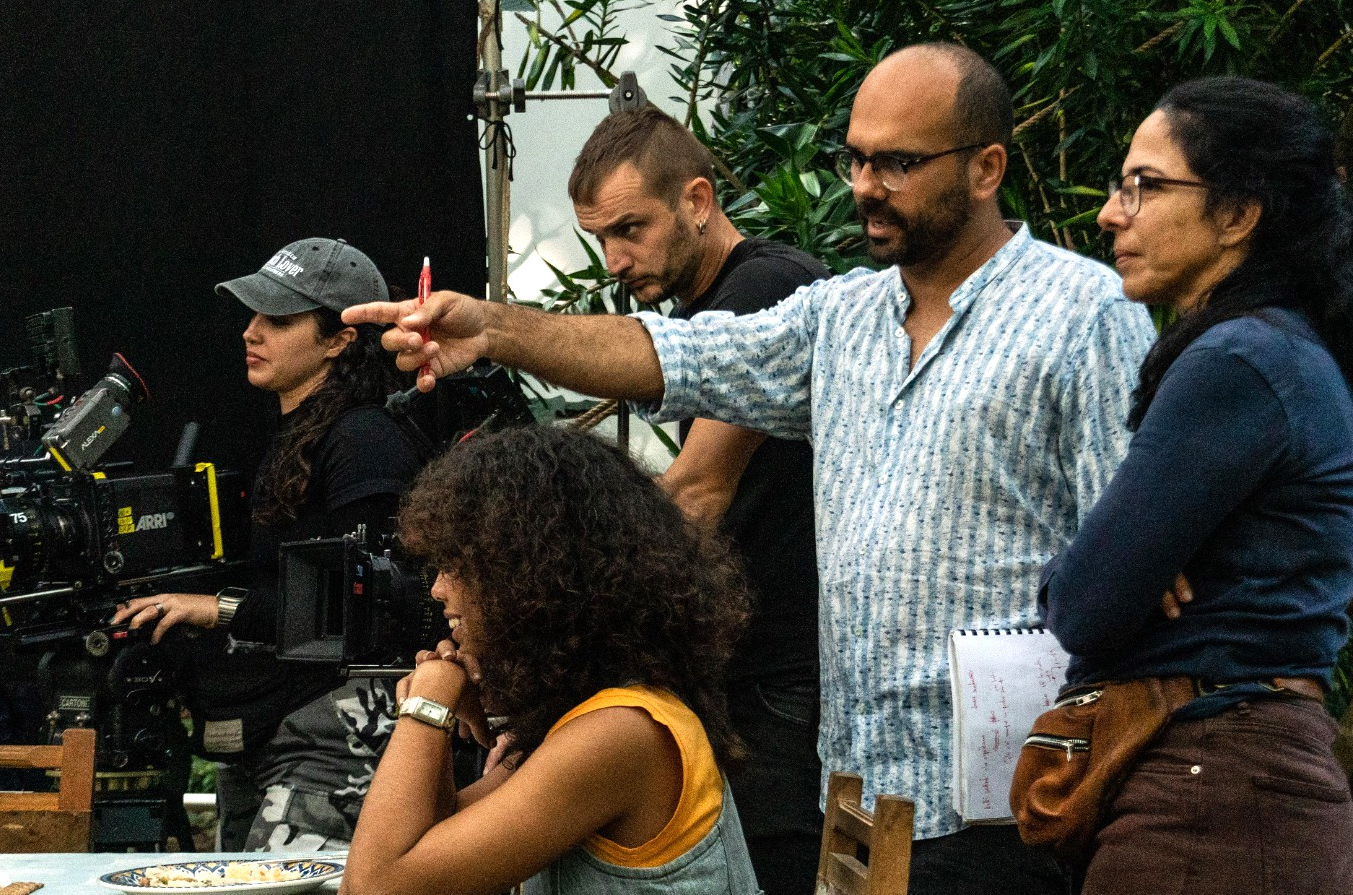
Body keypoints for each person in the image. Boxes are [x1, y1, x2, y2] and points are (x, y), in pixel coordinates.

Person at [350, 43, 1155, 895]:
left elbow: (1138, 564)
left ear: (988, 166)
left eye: (898, 162)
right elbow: (676, 353)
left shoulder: (1084, 314)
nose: (865, 184)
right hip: (853, 801)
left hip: (1008, 809)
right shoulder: (841, 313)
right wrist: (494, 329)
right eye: (855, 158)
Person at [1039, 77, 1353, 894]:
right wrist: (1131, 559)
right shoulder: (1277, 349)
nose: (1112, 212)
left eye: (1145, 185)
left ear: (1239, 214)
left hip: (1214, 798)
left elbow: (1085, 604)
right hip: (1236, 787)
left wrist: (1108, 566)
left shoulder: (1238, 361)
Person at [567, 105, 829, 895]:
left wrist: (565, 610)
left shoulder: (765, 286)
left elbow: (700, 490)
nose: (614, 259)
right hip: (757, 670)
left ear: (697, 200)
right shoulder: (704, 307)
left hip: (785, 675)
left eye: (629, 229)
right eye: (600, 240)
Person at [344, 425, 758, 895]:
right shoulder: (581, 716)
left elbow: (373, 887)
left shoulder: (621, 730)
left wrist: (426, 704)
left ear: (530, 578)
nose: (438, 589)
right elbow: (440, 841)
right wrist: (448, 716)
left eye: (457, 565)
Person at [114, 238, 427, 851]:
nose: (251, 332)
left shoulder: (365, 439)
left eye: (278, 320)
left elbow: (359, 608)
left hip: (335, 732)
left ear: (340, 338)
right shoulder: (296, 434)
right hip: (267, 729)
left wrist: (214, 606)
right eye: (252, 315)